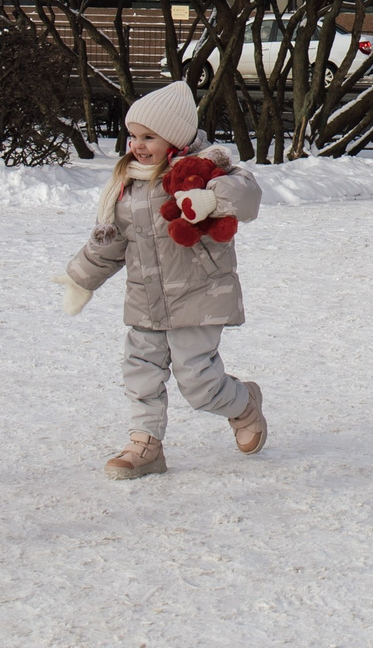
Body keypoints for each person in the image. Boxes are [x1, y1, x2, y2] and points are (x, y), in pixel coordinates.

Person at [60, 80, 268, 478]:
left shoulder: (209, 168)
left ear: (174, 137)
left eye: (148, 136)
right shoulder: (129, 184)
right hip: (145, 301)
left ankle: (242, 404)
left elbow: (245, 197)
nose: (137, 145)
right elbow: (112, 238)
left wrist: (211, 196)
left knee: (198, 384)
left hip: (199, 298)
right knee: (139, 372)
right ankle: (145, 444)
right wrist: (81, 278)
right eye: (133, 135)